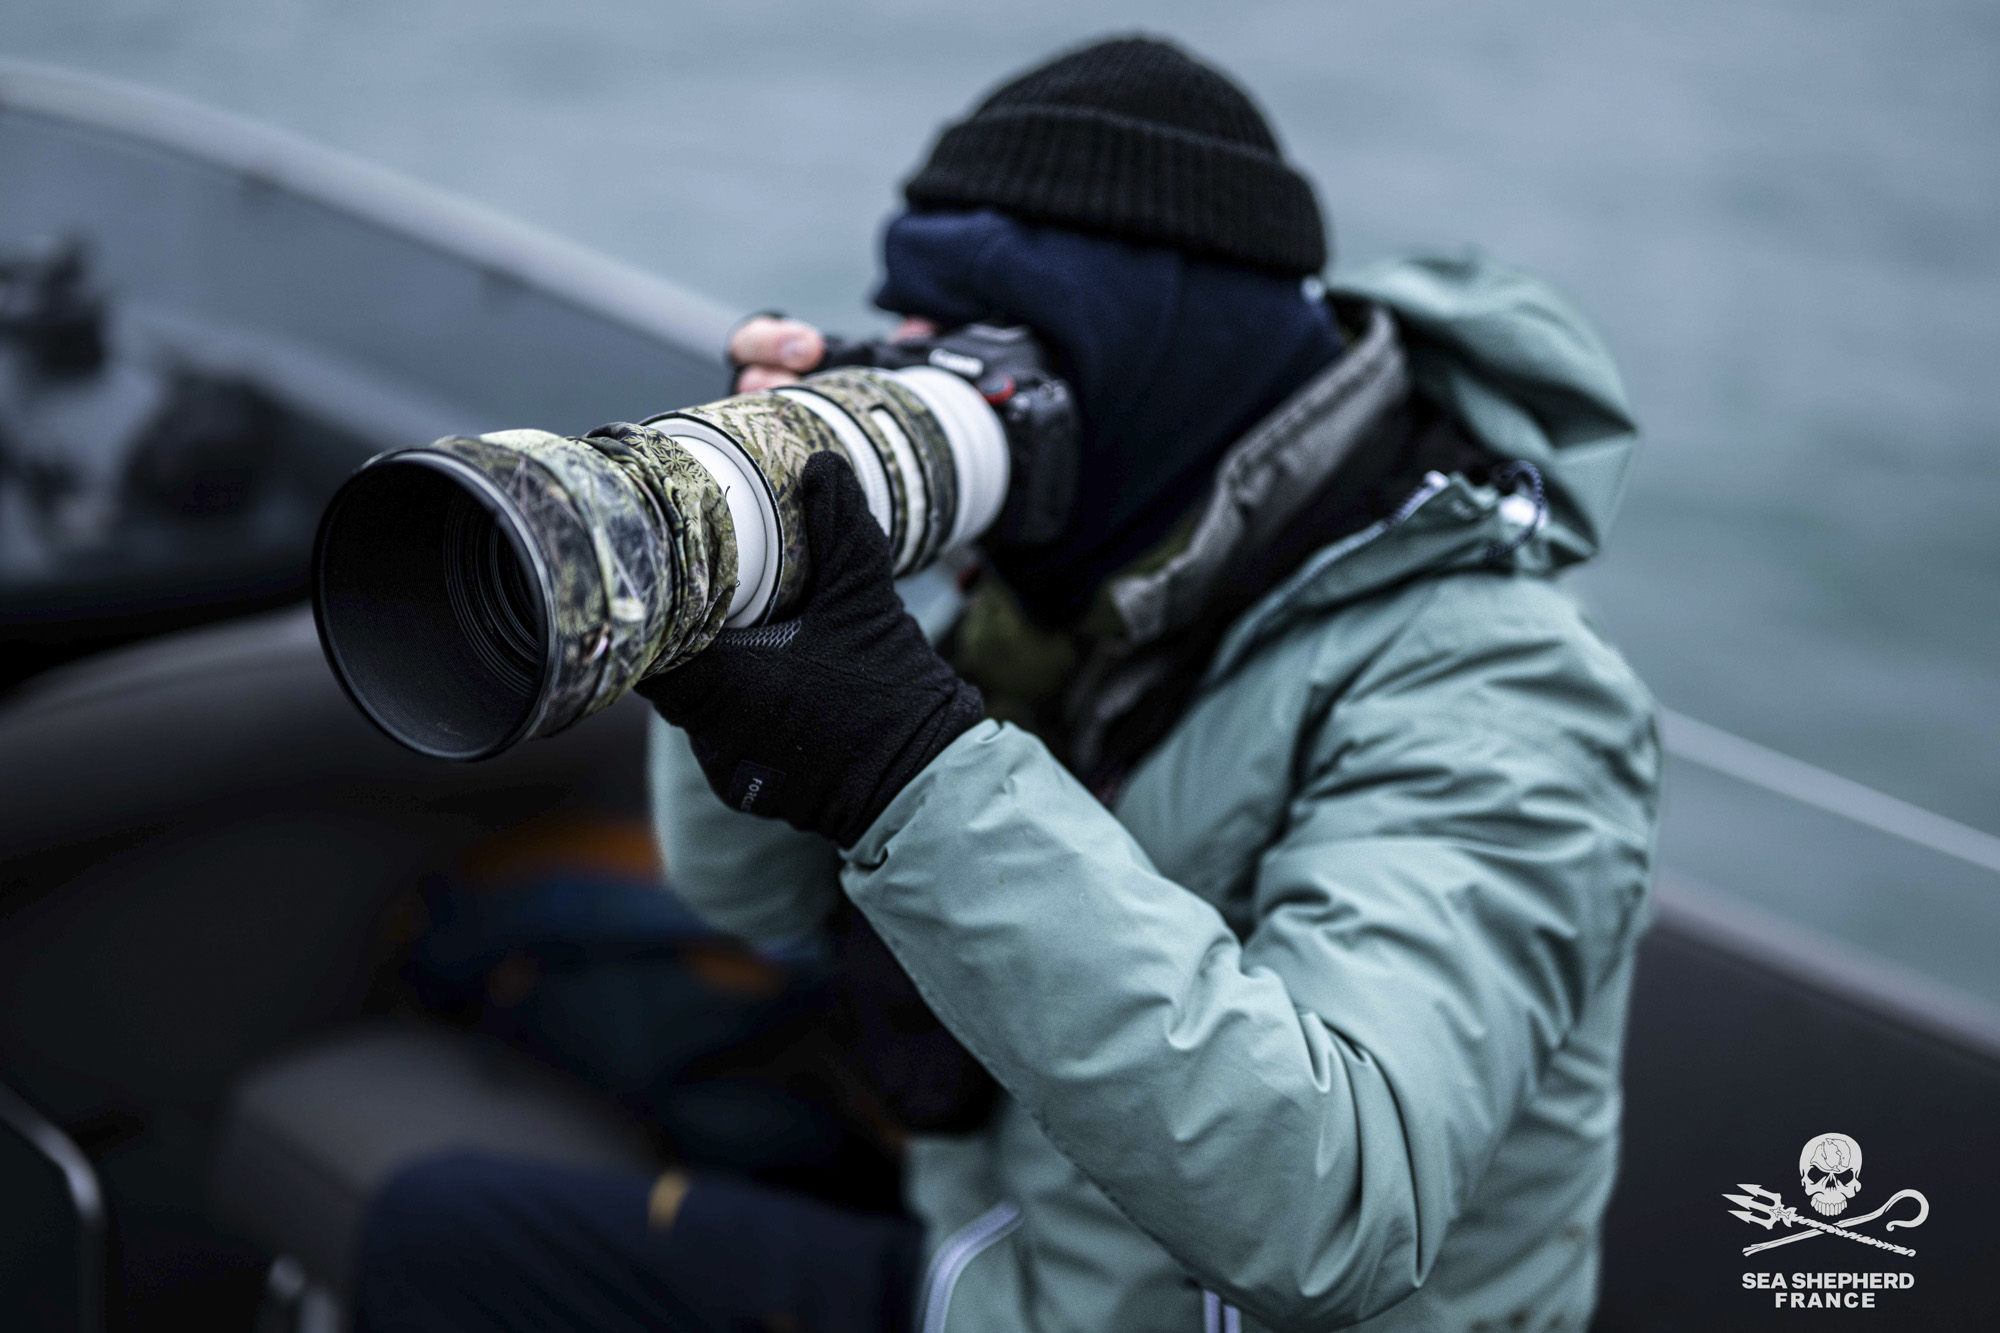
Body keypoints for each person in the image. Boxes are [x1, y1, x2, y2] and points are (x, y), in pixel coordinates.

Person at [356, 34, 1659, 1333]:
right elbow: (745, 893)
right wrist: (736, 584)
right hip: (1006, 1257)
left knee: (457, 1242)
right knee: (448, 1225)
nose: (941, 370)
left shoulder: (1506, 694)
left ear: (1170, 370)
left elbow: (1340, 1202)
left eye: (999, 343)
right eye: (925, 331)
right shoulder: (1099, 574)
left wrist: (910, 760)